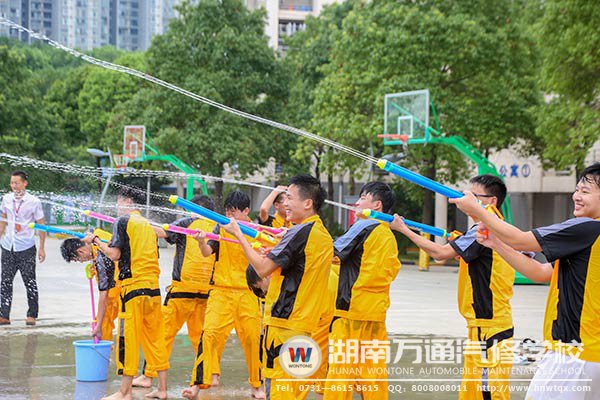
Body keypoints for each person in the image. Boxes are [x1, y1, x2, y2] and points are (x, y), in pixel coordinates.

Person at [450, 163, 600, 399]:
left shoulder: (588, 228)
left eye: (585, 191)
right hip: (588, 355)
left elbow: (521, 240)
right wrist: (496, 244)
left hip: (572, 355)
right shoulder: (587, 241)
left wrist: (478, 210)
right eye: (577, 189)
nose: (576, 196)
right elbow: (540, 272)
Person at [390, 175, 515, 400]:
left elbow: (439, 254)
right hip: (486, 325)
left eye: (474, 196)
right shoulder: (495, 227)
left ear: (492, 201)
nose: (466, 198)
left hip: (489, 327)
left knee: (489, 394)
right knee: (476, 393)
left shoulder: (483, 229)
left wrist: (404, 230)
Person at [221, 174, 333, 400]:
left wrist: (239, 234)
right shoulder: (321, 234)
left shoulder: (299, 232)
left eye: (289, 198)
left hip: (284, 328)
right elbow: (299, 265)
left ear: (307, 203)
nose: (284, 204)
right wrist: (280, 248)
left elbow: (262, 269)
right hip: (304, 328)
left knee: (280, 392)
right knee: (294, 393)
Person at [89, 188, 169, 400]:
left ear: (128, 201)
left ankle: (125, 392)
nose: (117, 206)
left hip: (133, 289)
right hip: (153, 289)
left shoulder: (123, 221)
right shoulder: (147, 225)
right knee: (156, 339)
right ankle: (162, 389)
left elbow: (114, 255)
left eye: (119, 201)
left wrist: (96, 241)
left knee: (128, 340)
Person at [323, 182, 401, 400]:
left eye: (363, 198)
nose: (357, 203)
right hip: (376, 312)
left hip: (351, 310)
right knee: (373, 372)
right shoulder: (388, 236)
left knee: (342, 371)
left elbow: (331, 252)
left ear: (376, 205)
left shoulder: (364, 225)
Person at [183, 191, 264, 399]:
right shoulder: (220, 227)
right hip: (221, 291)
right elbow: (206, 252)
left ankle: (257, 385)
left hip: (247, 293)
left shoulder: (256, 231)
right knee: (208, 335)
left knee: (253, 338)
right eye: (227, 211)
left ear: (246, 211)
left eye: (233, 212)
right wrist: (201, 241)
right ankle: (197, 384)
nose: (229, 215)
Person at [133, 195, 218, 388]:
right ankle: (212, 376)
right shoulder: (216, 226)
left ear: (193, 209)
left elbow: (161, 232)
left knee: (162, 334)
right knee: (202, 337)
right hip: (206, 292)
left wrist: (139, 222)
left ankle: (148, 375)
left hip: (182, 291)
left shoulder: (187, 223)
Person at [0, 171, 46, 326]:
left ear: (24, 183)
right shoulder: (6, 199)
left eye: (17, 183)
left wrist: (42, 247)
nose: (14, 186)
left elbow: (41, 225)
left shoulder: (34, 201)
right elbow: (3, 221)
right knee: (5, 281)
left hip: (26, 247)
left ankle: (32, 314)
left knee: (30, 282)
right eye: (12, 183)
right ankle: (4, 315)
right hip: (8, 246)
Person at [60, 228, 120, 341]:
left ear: (80, 252)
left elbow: (103, 296)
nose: (81, 261)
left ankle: (103, 346)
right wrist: (93, 266)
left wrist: (98, 326)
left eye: (78, 259)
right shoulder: (97, 236)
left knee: (104, 322)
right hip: (127, 283)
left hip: (123, 291)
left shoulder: (101, 260)